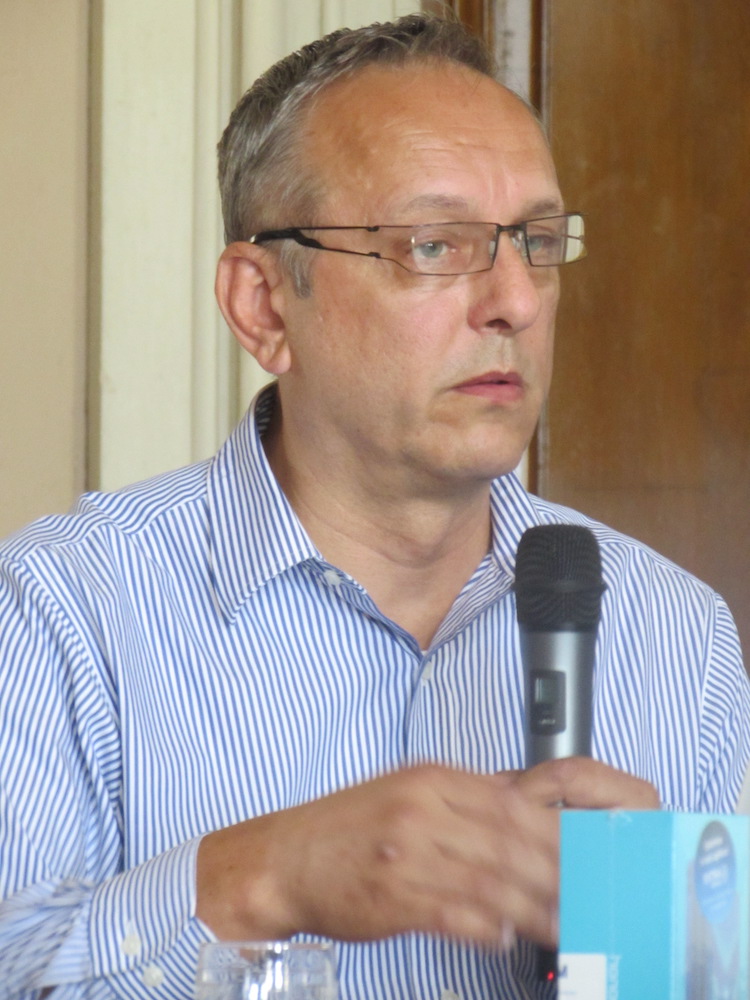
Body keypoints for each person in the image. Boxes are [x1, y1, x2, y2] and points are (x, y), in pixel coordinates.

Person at [0, 12, 747, 1000]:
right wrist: (268, 875)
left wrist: (666, 955)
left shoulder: (678, 633)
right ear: (265, 305)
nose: (517, 300)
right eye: (434, 245)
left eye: (534, 241)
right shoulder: (62, 607)